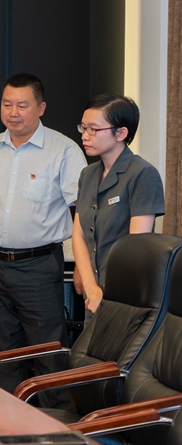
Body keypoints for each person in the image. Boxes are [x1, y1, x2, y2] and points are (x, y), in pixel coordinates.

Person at [0, 74, 85, 395]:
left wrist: (84, 264)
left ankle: (53, 419)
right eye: (7, 104)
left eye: (22, 105)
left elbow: (82, 211)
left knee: (48, 349)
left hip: (39, 265)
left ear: (41, 108)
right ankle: (6, 417)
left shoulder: (64, 150)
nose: (13, 112)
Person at [72, 94, 165, 314]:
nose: (85, 136)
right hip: (93, 295)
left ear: (121, 133)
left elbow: (136, 247)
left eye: (93, 129)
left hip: (125, 295)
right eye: (83, 128)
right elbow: (79, 235)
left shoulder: (142, 173)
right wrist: (91, 288)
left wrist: (105, 292)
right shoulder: (88, 174)